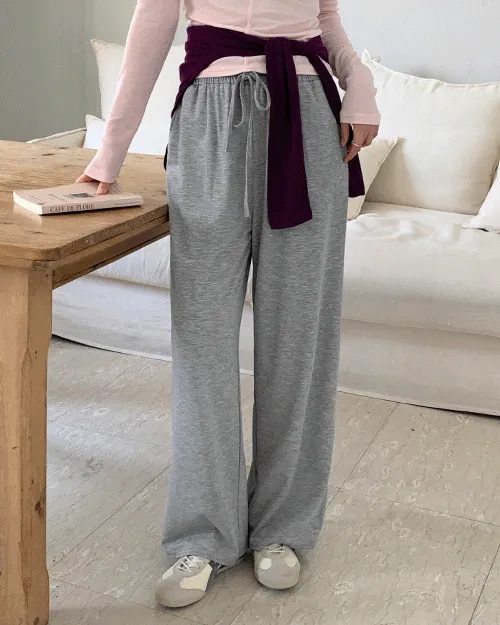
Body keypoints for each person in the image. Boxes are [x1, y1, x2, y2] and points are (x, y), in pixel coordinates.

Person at [78, 0, 380, 609]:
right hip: (209, 119)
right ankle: (203, 533)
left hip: (309, 119)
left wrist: (362, 85)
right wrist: (109, 153)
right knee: (202, 342)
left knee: (299, 340)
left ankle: (282, 527)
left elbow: (325, 18)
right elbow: (152, 25)